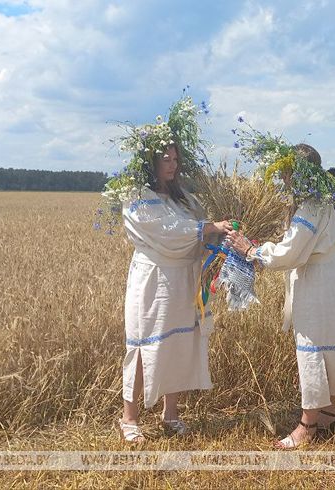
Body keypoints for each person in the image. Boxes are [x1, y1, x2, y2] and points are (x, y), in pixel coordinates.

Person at [102, 97, 233, 444]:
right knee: (146, 347)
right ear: (150, 161)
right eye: (166, 158)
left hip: (183, 279)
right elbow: (169, 230)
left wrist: (225, 243)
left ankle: (170, 413)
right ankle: (129, 418)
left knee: (177, 344)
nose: (173, 165)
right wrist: (210, 227)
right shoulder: (137, 196)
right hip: (154, 281)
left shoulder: (185, 198)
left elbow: (198, 230)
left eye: (176, 158)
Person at [227, 143, 335, 449]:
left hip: (317, 284)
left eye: (288, 173)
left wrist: (251, 250)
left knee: (312, 348)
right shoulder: (318, 203)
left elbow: (290, 252)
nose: (285, 180)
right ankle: (328, 412)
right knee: (326, 345)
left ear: (301, 175)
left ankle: (307, 426)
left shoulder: (310, 208)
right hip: (327, 280)